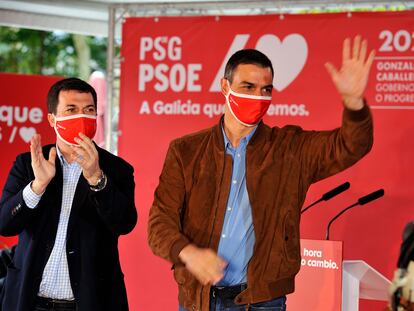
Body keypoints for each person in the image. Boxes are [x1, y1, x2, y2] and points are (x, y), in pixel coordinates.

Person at [148, 35, 375, 311]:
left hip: (262, 301)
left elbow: (351, 145)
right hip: (199, 299)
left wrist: (354, 104)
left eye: (266, 89)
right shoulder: (186, 151)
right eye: (249, 87)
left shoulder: (290, 148)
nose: (259, 97)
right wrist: (189, 254)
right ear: (225, 86)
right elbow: (159, 224)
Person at [0, 78, 137, 311]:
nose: (81, 117)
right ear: (52, 119)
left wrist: (96, 178)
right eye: (71, 110)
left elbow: (124, 223)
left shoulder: (116, 169)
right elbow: (4, 223)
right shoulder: (29, 164)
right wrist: (37, 186)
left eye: (89, 110)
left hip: (92, 302)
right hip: (29, 301)